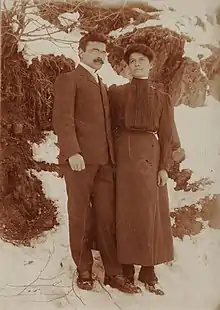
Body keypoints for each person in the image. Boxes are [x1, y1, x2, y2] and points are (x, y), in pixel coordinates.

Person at [52, 32, 139, 294]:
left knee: (106, 217)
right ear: (80, 52)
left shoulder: (101, 84)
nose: (100, 55)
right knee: (80, 215)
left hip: (104, 164)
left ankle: (113, 273)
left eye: (103, 51)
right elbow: (62, 119)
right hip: (79, 162)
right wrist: (72, 152)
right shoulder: (69, 79)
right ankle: (84, 270)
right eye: (94, 50)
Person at [108, 43, 175, 295]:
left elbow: (167, 136)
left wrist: (164, 167)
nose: (136, 64)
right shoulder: (116, 93)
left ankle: (148, 268)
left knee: (149, 211)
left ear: (151, 64)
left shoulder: (162, 98)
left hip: (150, 153)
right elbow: (108, 125)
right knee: (125, 210)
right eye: (132, 60)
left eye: (141, 60)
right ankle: (126, 267)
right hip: (123, 153)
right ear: (127, 65)